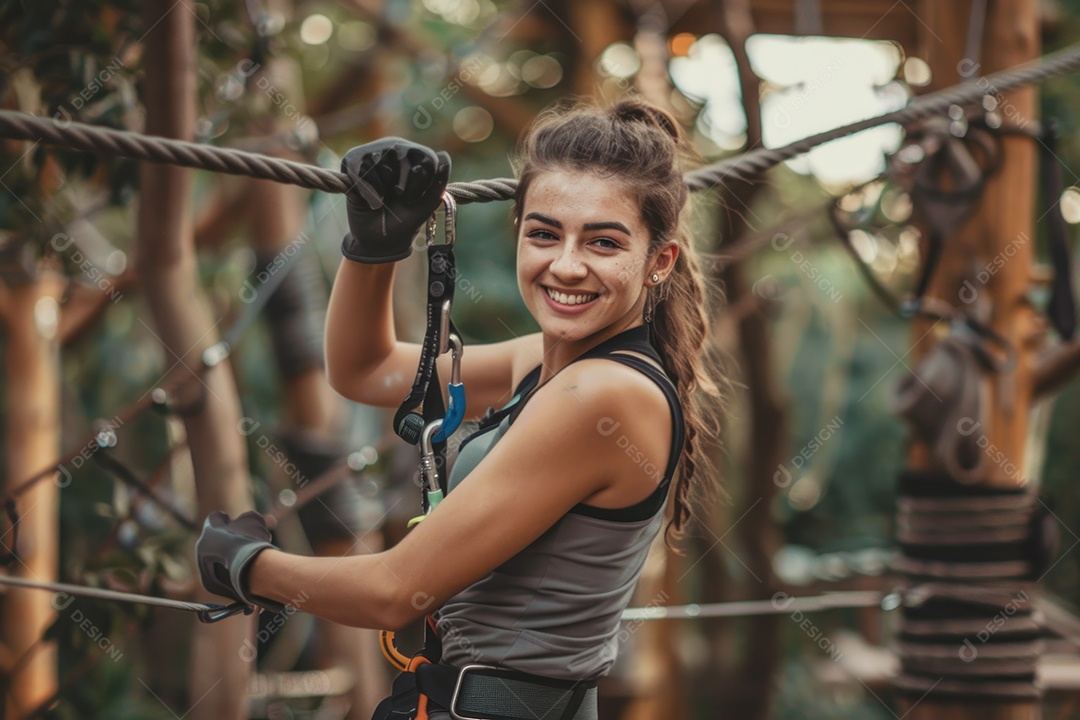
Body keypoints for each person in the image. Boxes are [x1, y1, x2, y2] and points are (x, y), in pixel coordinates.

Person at [196, 97, 721, 720]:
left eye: (604, 242)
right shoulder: (549, 362)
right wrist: (374, 245)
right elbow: (365, 370)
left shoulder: (602, 395)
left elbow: (396, 592)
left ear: (659, 261)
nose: (567, 264)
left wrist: (246, 566)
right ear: (518, 231)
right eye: (544, 233)